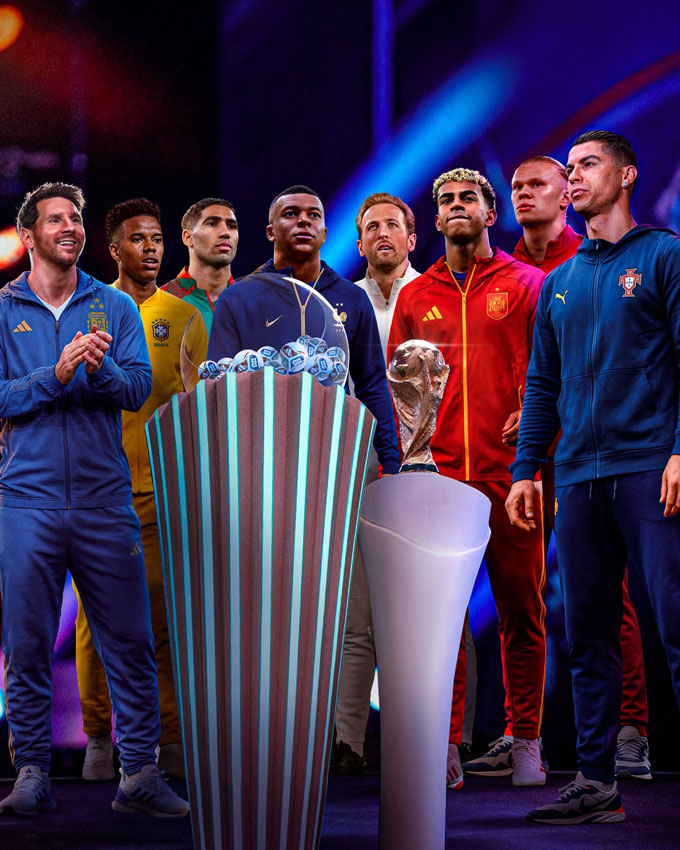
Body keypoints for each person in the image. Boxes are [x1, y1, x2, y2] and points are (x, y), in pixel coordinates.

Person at [506, 130, 680, 824]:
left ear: (627, 175)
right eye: (570, 168)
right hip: (577, 476)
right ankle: (595, 782)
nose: (574, 177)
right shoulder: (560, 283)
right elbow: (542, 386)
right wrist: (526, 470)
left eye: (588, 165)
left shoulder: (663, 255)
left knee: (675, 624)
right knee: (586, 633)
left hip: (651, 467)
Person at [0, 183, 188, 817]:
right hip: (26, 500)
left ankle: (139, 774)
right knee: (26, 644)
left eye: (76, 218)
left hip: (105, 501)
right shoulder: (4, 310)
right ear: (29, 236)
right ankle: (31, 773)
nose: (70, 227)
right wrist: (54, 376)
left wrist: (98, 369)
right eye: (56, 219)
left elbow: (137, 389)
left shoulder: (114, 305)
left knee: (129, 641)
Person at [388, 168, 547, 789]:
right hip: (442, 479)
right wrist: (411, 465)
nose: (457, 206)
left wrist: (534, 427)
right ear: (435, 219)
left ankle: (526, 740)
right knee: (443, 622)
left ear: (490, 213)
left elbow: (551, 373)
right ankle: (446, 743)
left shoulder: (528, 285)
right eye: (447, 200)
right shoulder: (414, 297)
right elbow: (400, 394)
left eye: (469, 199)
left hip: (512, 478)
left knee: (522, 611)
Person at [73, 199, 208, 782]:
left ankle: (168, 740)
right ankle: (98, 739)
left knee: (161, 620)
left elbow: (202, 406)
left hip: (159, 489)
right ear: (114, 249)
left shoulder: (183, 317)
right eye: (138, 239)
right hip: (95, 489)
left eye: (157, 238)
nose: (151, 248)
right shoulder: (84, 309)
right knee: (93, 624)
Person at [206, 185, 400, 476]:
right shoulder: (237, 298)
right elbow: (217, 386)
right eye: (291, 214)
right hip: (258, 457)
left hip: (333, 454)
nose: (304, 220)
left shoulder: (353, 298)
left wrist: (391, 460)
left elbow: (371, 385)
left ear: (324, 232)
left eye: (314, 215)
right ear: (270, 232)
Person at [328, 193, 421, 776]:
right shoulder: (339, 303)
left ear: (412, 237)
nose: (383, 233)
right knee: (357, 613)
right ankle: (349, 742)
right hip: (358, 468)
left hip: (429, 467)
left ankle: (440, 744)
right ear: (359, 242)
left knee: (433, 613)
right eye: (371, 227)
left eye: (394, 224)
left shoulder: (435, 294)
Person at [162, 197, 238, 333]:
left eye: (231, 226)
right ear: (188, 237)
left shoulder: (253, 302)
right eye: (212, 224)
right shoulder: (162, 304)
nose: (226, 233)